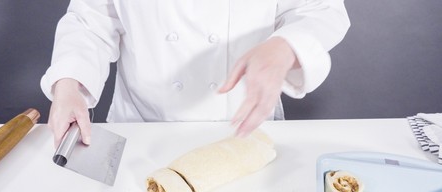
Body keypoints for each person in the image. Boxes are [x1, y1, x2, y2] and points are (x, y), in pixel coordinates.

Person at [41, 0, 350, 147]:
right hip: (140, 131)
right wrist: (68, 84)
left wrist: (285, 47)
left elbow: (321, 11)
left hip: (244, 130)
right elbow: (90, 22)